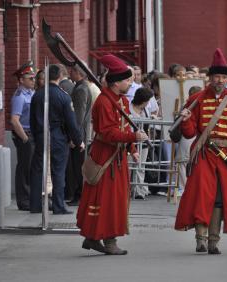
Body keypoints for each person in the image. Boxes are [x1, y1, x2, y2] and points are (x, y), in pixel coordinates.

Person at [175, 48, 227, 254]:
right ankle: (200, 238)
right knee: (201, 196)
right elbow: (190, 134)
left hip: (225, 157)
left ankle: (213, 241)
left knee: (219, 199)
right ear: (210, 78)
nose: (219, 80)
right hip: (203, 154)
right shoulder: (197, 99)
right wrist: (186, 119)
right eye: (216, 76)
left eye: (223, 77)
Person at [76, 55, 148, 255]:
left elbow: (122, 128)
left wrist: (132, 148)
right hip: (105, 156)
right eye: (127, 80)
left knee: (114, 199)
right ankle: (108, 241)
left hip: (118, 156)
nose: (130, 83)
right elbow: (108, 133)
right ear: (116, 82)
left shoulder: (122, 102)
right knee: (106, 200)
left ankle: (93, 238)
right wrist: (133, 136)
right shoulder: (104, 103)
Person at [30, 64, 84, 214]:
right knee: (58, 171)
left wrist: (36, 137)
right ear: (59, 76)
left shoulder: (37, 95)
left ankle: (35, 204)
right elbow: (71, 123)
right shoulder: (63, 96)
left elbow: (32, 121)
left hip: (41, 135)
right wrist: (78, 140)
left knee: (38, 170)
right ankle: (58, 205)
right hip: (58, 137)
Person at [10, 61, 36, 211]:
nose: (33, 80)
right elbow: (14, 120)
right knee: (24, 169)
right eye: (30, 78)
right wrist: (25, 139)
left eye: (33, 77)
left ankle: (30, 197)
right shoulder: (20, 96)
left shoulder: (31, 93)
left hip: (32, 133)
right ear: (21, 80)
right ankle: (24, 201)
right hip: (25, 135)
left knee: (31, 168)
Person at [66, 64, 93, 205]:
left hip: (79, 133)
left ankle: (79, 194)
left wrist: (74, 137)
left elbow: (79, 116)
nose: (70, 73)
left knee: (77, 166)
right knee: (76, 165)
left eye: (72, 71)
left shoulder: (81, 89)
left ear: (78, 73)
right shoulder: (80, 87)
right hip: (79, 133)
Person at [129, 87, 155, 200]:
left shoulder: (145, 110)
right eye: (148, 100)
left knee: (141, 166)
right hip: (131, 142)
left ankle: (139, 190)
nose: (149, 102)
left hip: (143, 142)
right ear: (143, 100)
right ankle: (128, 189)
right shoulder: (129, 109)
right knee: (130, 166)